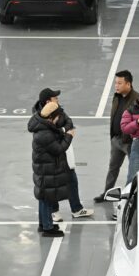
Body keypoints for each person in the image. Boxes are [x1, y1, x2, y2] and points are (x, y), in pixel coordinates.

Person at [31, 88, 93, 221]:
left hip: (64, 152)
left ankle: (76, 208)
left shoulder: (57, 109)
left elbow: (69, 122)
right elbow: (57, 132)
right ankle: (54, 211)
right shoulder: (40, 116)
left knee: (72, 179)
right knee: (51, 183)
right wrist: (64, 132)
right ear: (48, 101)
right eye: (55, 98)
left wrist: (61, 130)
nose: (58, 100)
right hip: (53, 156)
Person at [28, 101, 75, 237]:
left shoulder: (42, 127)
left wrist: (63, 132)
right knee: (47, 198)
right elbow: (58, 149)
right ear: (51, 118)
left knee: (44, 198)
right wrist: (69, 136)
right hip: (47, 170)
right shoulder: (44, 133)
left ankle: (43, 224)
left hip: (44, 169)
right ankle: (48, 228)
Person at [93, 70, 139, 202]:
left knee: (134, 171)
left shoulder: (136, 100)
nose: (116, 86)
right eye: (115, 83)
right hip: (116, 140)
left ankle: (131, 196)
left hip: (130, 142)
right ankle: (106, 193)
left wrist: (132, 138)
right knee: (112, 168)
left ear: (128, 84)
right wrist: (113, 137)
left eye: (119, 83)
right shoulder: (116, 97)